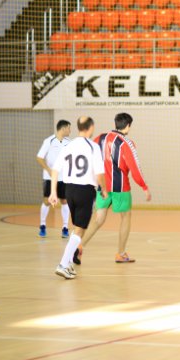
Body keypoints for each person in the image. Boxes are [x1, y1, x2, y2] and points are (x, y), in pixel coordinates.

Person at [77, 113, 151, 265]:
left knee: (98, 219)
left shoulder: (100, 138)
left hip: (102, 185)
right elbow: (134, 167)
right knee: (126, 216)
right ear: (128, 126)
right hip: (120, 187)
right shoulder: (126, 143)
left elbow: (91, 159)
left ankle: (79, 246)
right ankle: (121, 253)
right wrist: (144, 186)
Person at [49, 116, 107, 279]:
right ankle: (62, 264)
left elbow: (55, 170)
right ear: (91, 127)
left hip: (69, 190)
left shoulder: (68, 145)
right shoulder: (93, 147)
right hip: (84, 190)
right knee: (80, 229)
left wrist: (54, 192)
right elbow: (99, 173)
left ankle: (67, 264)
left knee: (77, 228)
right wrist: (103, 189)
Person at [35, 120, 71, 238]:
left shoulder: (69, 142)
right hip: (49, 177)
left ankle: (65, 227)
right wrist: (49, 170)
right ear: (63, 128)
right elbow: (39, 158)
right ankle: (42, 225)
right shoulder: (48, 141)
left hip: (64, 178)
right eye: (69, 128)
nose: (70, 131)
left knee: (64, 201)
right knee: (47, 201)